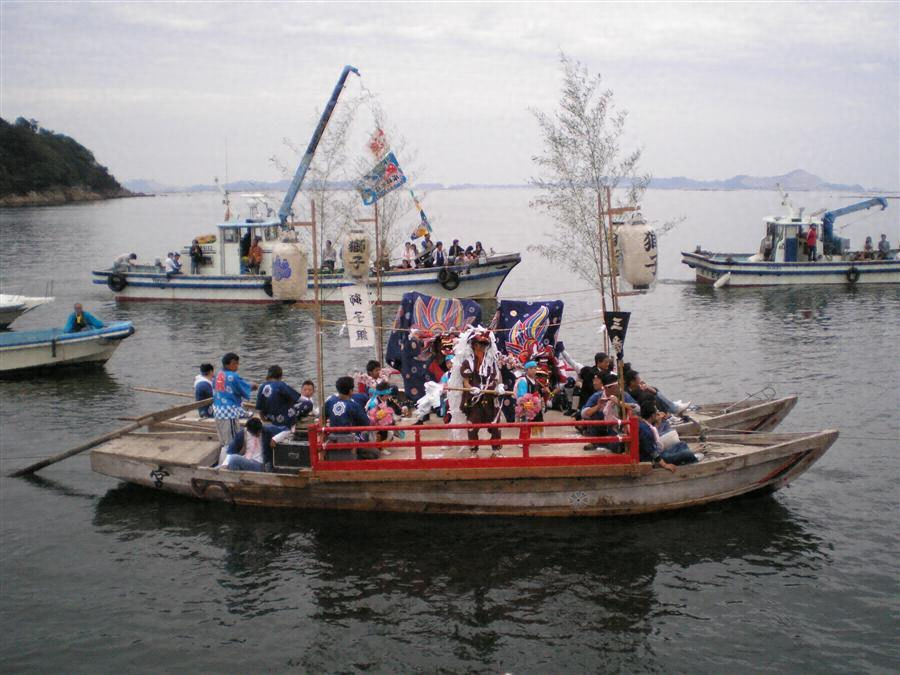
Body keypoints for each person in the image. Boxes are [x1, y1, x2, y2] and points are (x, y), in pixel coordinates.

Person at [460, 329, 504, 456]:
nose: (483, 347)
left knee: (495, 425)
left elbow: (498, 377)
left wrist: (500, 386)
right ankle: (474, 451)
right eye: (481, 344)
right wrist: (471, 389)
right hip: (475, 400)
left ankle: (496, 450)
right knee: (472, 426)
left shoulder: (492, 361)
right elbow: (465, 382)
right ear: (474, 345)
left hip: (491, 398)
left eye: (485, 344)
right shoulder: (468, 362)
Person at [324, 376, 373, 459]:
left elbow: (323, 416)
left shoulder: (330, 401)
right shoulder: (353, 405)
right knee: (374, 451)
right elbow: (366, 422)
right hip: (350, 438)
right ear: (350, 391)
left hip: (333, 437)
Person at [212, 352, 256, 445]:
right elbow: (243, 387)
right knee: (232, 442)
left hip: (217, 411)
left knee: (223, 441)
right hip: (228, 413)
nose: (237, 366)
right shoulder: (233, 376)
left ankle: (225, 453)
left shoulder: (218, 375)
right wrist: (254, 386)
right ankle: (230, 454)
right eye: (236, 363)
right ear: (230, 364)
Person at [638, 400, 698, 469]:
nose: (658, 413)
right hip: (654, 460)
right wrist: (665, 465)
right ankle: (694, 464)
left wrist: (658, 422)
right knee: (687, 454)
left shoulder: (645, 424)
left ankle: (690, 459)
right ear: (652, 415)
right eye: (656, 412)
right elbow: (653, 453)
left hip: (659, 452)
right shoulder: (645, 431)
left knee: (682, 444)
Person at [255, 365, 309, 429]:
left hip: (270, 417)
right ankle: (295, 420)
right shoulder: (281, 385)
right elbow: (298, 398)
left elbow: (259, 408)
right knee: (308, 404)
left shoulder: (262, 387)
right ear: (280, 375)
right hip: (284, 419)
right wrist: (308, 400)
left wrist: (263, 419)